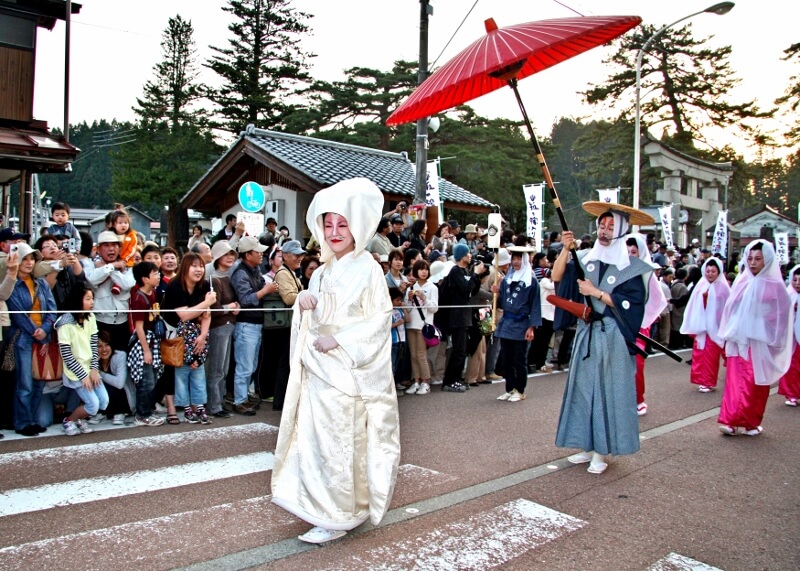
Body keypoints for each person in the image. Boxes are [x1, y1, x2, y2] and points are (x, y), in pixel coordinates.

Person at [272, 177, 400, 544]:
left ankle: (339, 513)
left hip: (347, 371)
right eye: (328, 225)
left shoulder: (369, 269)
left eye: (342, 224)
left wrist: (340, 340)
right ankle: (328, 507)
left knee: (341, 444)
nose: (334, 232)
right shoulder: (324, 271)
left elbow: (378, 320)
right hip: (319, 368)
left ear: (356, 226)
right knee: (316, 442)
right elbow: (309, 312)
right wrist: (304, 303)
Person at [555, 202, 654, 475]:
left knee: (605, 392)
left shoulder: (632, 267)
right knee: (584, 389)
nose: (605, 231)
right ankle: (586, 445)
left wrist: (595, 292)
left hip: (611, 336)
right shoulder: (585, 258)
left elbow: (632, 305)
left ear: (621, 231)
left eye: (611, 227)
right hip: (587, 334)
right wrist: (565, 249)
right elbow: (557, 276)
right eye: (602, 225)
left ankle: (600, 451)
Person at [717, 240, 793, 436]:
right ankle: (730, 420)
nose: (752, 263)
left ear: (767, 259)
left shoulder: (776, 285)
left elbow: (781, 315)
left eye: (758, 259)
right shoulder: (742, 281)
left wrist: (773, 336)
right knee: (734, 380)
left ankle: (752, 422)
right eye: (750, 258)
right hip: (739, 338)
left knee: (756, 382)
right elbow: (730, 309)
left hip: (761, 340)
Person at [8, 243, 58, 436]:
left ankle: (32, 419)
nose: (29, 263)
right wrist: (35, 330)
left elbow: (52, 309)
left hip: (42, 337)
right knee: (25, 382)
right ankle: (22, 422)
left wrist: (45, 329)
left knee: (39, 380)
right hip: (23, 337)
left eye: (31, 259)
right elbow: (17, 313)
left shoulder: (41, 282)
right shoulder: (11, 282)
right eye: (25, 259)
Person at [162, 253, 216, 424]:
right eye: (194, 266)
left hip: (195, 333)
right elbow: (184, 315)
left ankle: (198, 407)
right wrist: (207, 303)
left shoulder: (205, 285)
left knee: (196, 371)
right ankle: (176, 408)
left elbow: (207, 315)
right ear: (185, 267)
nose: (199, 269)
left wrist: (203, 336)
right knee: (173, 371)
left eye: (201, 266)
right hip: (172, 333)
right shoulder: (175, 285)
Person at [231, 236, 277, 415]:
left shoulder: (254, 269)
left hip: (255, 323)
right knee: (245, 365)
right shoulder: (241, 272)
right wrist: (265, 291)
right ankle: (239, 400)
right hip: (246, 324)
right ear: (247, 254)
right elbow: (245, 299)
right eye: (257, 251)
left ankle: (244, 396)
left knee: (251, 364)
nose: (261, 254)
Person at [56, 281, 106, 436]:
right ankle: (69, 420)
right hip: (75, 371)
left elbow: (93, 345)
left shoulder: (90, 318)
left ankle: (78, 418)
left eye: (92, 299)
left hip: (89, 367)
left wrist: (94, 368)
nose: (92, 303)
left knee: (103, 402)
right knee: (93, 405)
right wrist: (83, 375)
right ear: (78, 300)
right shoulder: (65, 323)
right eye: (88, 299)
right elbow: (67, 355)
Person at [492, 245, 541, 402]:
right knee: (506, 359)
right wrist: (496, 292)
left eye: (519, 258)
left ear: (525, 260)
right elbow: (500, 303)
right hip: (507, 322)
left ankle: (520, 390)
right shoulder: (506, 280)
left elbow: (535, 306)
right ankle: (509, 388)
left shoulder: (532, 281)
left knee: (519, 360)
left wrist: (531, 327)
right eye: (514, 258)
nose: (516, 262)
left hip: (522, 323)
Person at [626, 233, 667, 416]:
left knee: (636, 363)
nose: (629, 254)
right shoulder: (615, 271)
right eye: (625, 251)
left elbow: (657, 300)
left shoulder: (647, 273)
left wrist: (643, 319)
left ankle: (638, 399)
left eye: (633, 251)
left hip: (639, 325)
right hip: (619, 324)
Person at [680, 257, 731, 393]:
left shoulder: (723, 288)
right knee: (699, 354)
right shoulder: (700, 285)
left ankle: (708, 381)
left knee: (711, 356)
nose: (710, 274)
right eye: (707, 271)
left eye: (713, 271)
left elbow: (726, 309)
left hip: (715, 327)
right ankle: (700, 380)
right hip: (701, 327)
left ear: (718, 272)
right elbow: (692, 305)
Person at [266, 239, 305, 411]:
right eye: (296, 255)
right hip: (284, 326)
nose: (299, 258)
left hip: (287, 323)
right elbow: (289, 297)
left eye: (301, 255)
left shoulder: (290, 272)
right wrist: (306, 295)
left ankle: (282, 400)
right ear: (286, 256)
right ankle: (280, 401)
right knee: (284, 363)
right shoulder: (283, 273)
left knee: (286, 363)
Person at [441, 243, 486, 392]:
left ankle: (456, 378)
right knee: (459, 350)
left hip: (465, 315)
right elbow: (466, 288)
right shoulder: (455, 271)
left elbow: (472, 291)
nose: (470, 256)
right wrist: (476, 275)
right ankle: (450, 380)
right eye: (468, 253)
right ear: (462, 255)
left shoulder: (465, 271)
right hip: (457, 316)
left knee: (462, 349)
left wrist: (476, 276)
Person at [127, 261, 166, 427]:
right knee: (145, 380)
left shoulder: (153, 293)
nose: (158, 276)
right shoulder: (139, 299)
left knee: (152, 378)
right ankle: (142, 414)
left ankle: (147, 411)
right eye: (155, 274)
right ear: (144, 279)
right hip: (143, 342)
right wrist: (146, 351)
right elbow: (139, 328)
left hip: (152, 341)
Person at [85, 231, 136, 352]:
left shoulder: (129, 266)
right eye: (106, 245)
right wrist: (112, 266)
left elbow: (127, 284)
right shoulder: (91, 265)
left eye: (114, 245)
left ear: (119, 248)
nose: (111, 249)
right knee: (99, 360)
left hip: (123, 323)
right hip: (100, 322)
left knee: (121, 360)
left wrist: (111, 268)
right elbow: (92, 279)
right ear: (98, 249)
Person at [205, 241, 239, 419]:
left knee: (223, 369)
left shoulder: (228, 277)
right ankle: (214, 405)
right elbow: (213, 307)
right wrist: (230, 306)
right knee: (217, 369)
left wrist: (236, 305)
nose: (230, 257)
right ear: (218, 257)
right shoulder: (214, 279)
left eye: (232, 254)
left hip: (228, 325)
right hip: (218, 327)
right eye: (226, 254)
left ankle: (219, 402)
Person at [404, 259, 438, 396]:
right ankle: (416, 381)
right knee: (413, 355)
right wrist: (409, 299)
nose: (424, 272)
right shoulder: (410, 288)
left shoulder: (432, 287)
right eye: (421, 269)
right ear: (416, 272)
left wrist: (424, 298)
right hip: (411, 324)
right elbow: (406, 308)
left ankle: (425, 382)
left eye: (426, 269)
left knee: (421, 355)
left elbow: (434, 308)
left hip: (423, 325)